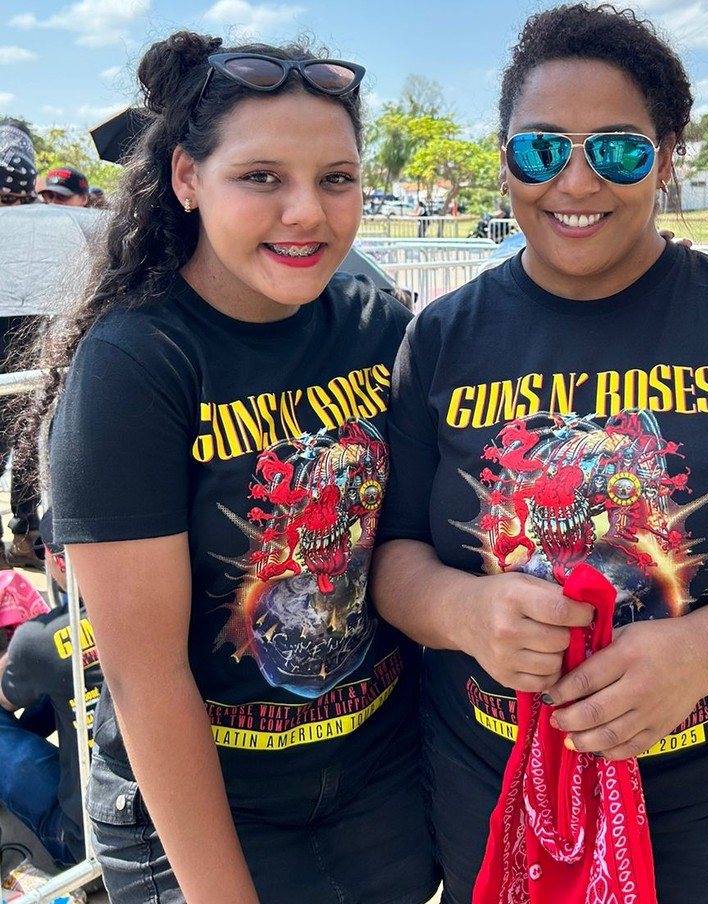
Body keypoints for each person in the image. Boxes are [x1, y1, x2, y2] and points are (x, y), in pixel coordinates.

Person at [371, 5, 708, 904]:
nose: (575, 182)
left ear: (667, 157)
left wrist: (702, 654)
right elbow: (395, 555)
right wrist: (464, 612)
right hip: (498, 798)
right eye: (541, 149)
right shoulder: (443, 338)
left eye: (617, 150)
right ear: (504, 160)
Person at [32, 30, 438, 904]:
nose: (308, 212)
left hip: (381, 788)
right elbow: (146, 680)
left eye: (337, 178)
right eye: (261, 177)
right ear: (187, 178)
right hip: (206, 810)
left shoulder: (380, 326)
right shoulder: (139, 362)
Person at [0, 511, 103, 870]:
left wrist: (17, 657)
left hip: (86, 840)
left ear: (57, 561)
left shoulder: (40, 640)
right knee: (63, 681)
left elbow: (2, 697)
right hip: (173, 819)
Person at [0, 119, 44, 571]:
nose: (10, 210)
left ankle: (25, 535)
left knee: (28, 443)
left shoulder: (43, 226)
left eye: (17, 200)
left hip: (31, 342)